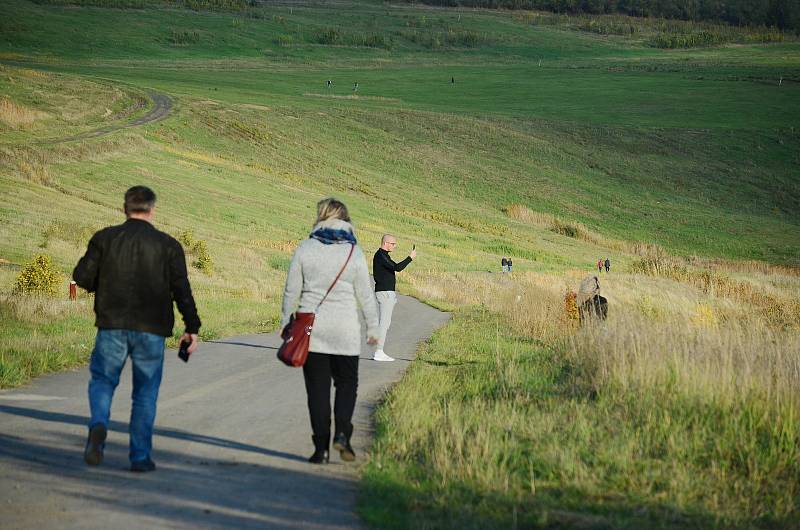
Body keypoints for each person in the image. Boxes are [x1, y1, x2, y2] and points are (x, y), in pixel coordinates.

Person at [73, 186, 200, 473]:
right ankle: (140, 457)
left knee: (103, 381)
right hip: (152, 330)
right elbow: (182, 290)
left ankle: (99, 425)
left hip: (111, 324)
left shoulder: (105, 238)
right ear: (152, 210)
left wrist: (101, 283)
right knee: (145, 393)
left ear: (125, 208)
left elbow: (81, 277)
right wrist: (192, 326)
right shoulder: (168, 245)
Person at [281, 198, 379, 464]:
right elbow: (366, 295)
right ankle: (343, 434)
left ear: (320, 217)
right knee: (347, 384)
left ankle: (321, 449)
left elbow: (291, 290)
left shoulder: (305, 248)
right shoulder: (353, 252)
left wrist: (284, 324)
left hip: (313, 333)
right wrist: (373, 327)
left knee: (318, 390)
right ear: (346, 220)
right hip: (346, 331)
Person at [372, 234, 416, 362]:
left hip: (387, 292)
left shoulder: (384, 256)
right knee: (384, 323)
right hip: (384, 293)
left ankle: (379, 351)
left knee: (386, 324)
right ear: (385, 243)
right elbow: (397, 267)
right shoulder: (380, 255)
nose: (395, 246)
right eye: (393, 244)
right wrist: (410, 258)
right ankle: (379, 352)